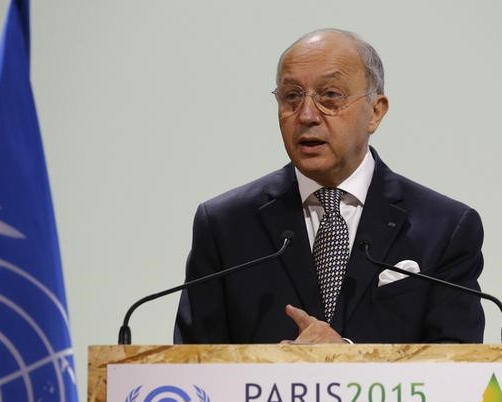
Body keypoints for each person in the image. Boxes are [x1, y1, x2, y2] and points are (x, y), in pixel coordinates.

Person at [174, 29, 484, 344]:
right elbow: (193, 368)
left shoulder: (444, 229)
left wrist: (346, 362)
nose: (306, 115)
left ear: (375, 112)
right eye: (292, 96)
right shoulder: (225, 226)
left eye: (330, 96)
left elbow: (457, 373)